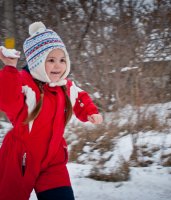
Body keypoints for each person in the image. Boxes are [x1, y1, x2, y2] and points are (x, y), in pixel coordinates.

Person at [0, 22, 103, 200]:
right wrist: (9, 68)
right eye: (51, 60)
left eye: (62, 60)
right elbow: (7, 99)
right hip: (20, 159)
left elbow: (80, 97)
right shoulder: (24, 84)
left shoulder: (65, 86)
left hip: (53, 159)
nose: (58, 66)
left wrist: (90, 112)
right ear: (37, 62)